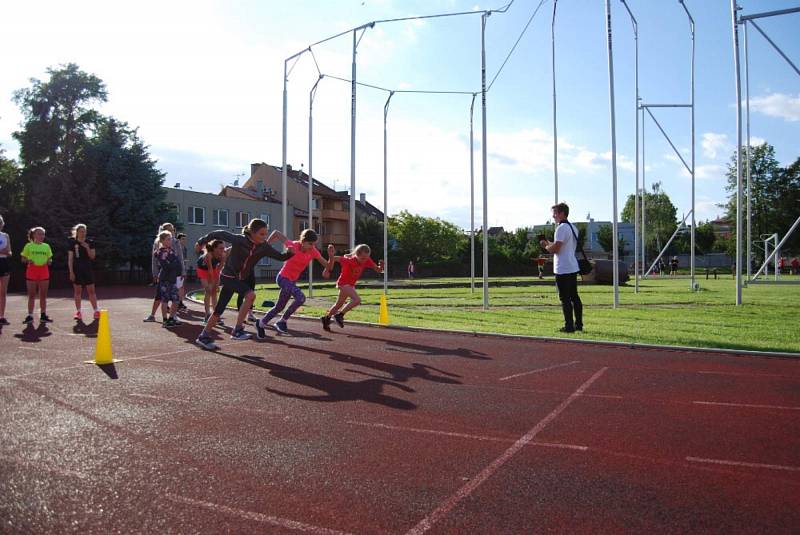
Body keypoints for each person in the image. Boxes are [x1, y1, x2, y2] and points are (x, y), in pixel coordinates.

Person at [194, 219, 293, 350]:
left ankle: (204, 336)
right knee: (251, 295)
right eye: (261, 234)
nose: (265, 237)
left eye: (266, 234)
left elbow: (281, 257)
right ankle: (238, 330)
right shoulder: (240, 240)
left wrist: (290, 251)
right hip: (228, 276)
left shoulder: (263, 247)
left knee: (219, 309)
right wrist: (202, 241)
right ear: (252, 233)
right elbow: (219, 233)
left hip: (239, 278)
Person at [256, 228, 331, 336]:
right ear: (303, 241)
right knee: (301, 298)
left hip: (291, 281)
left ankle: (261, 323)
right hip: (282, 278)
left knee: (279, 307)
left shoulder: (313, 251)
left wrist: (331, 256)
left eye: (314, 244)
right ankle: (282, 321)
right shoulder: (293, 245)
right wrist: (266, 245)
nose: (312, 246)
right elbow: (276, 233)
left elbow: (327, 265)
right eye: (310, 244)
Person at [539, 203, 583, 333]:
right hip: (572, 265)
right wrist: (549, 244)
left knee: (564, 298)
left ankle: (569, 326)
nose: (553, 216)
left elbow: (556, 249)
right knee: (574, 296)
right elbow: (562, 246)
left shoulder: (561, 228)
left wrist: (545, 246)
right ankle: (578, 324)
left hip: (563, 268)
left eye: (555, 213)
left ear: (562, 213)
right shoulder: (573, 228)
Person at [320, 244, 383, 331]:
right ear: (357, 255)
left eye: (366, 258)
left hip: (350, 285)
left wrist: (381, 266)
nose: (364, 260)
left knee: (339, 304)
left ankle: (326, 318)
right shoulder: (348, 260)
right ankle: (339, 315)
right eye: (362, 258)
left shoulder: (367, 259)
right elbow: (334, 258)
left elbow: (377, 269)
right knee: (357, 300)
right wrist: (329, 261)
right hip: (343, 283)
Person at [145, 223, 184, 322]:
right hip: (163, 273)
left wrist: (182, 270)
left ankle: (173, 316)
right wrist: (155, 273)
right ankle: (152, 315)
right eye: (169, 230)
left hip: (175, 273)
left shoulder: (176, 242)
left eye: (173, 230)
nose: (172, 232)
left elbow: (180, 257)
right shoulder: (157, 242)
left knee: (175, 296)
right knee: (159, 296)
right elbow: (155, 260)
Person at [20, 226, 53, 324]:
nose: (42, 236)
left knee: (43, 294)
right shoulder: (28, 246)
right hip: (32, 271)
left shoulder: (46, 246)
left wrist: (49, 261)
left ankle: (43, 315)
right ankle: (30, 316)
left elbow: (50, 258)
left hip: (44, 271)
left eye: (43, 234)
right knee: (31, 295)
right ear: (34, 235)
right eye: (39, 234)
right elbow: (23, 259)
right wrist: (28, 260)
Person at [68, 223, 100, 321]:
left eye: (84, 231)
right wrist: (71, 272)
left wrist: (87, 247)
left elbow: (92, 256)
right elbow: (70, 259)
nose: (83, 233)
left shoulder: (90, 242)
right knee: (78, 292)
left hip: (87, 269)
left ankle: (96, 311)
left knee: (91, 291)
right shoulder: (72, 243)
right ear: (77, 232)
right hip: (77, 270)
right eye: (81, 231)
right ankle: (78, 312)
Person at [154, 230, 182, 327]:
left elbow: (177, 263)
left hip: (173, 279)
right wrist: (174, 263)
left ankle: (171, 319)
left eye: (170, 239)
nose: (170, 241)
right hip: (165, 279)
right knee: (165, 300)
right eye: (168, 239)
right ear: (162, 241)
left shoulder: (171, 251)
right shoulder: (161, 252)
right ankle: (165, 320)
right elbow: (166, 266)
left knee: (176, 299)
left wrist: (179, 270)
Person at [196, 239, 225, 325]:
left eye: (223, 248)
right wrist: (214, 283)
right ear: (214, 248)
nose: (223, 250)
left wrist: (217, 284)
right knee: (208, 290)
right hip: (203, 270)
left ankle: (216, 315)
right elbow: (210, 271)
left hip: (214, 270)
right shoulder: (209, 255)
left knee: (214, 292)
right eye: (220, 248)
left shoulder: (223, 255)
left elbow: (219, 269)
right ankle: (207, 314)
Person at [0, 215, 11, 325]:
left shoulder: (5, 236)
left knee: (3, 292)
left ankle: (2, 316)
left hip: (4, 263)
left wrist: (6, 252)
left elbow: (9, 252)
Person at [176, 233, 189, 312]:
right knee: (178, 287)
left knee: (182, 287)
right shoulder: (176, 247)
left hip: (183, 269)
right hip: (177, 270)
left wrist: (185, 267)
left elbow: (185, 259)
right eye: (183, 239)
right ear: (178, 240)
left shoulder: (185, 248)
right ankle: (177, 303)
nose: (184, 241)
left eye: (185, 239)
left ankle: (180, 302)